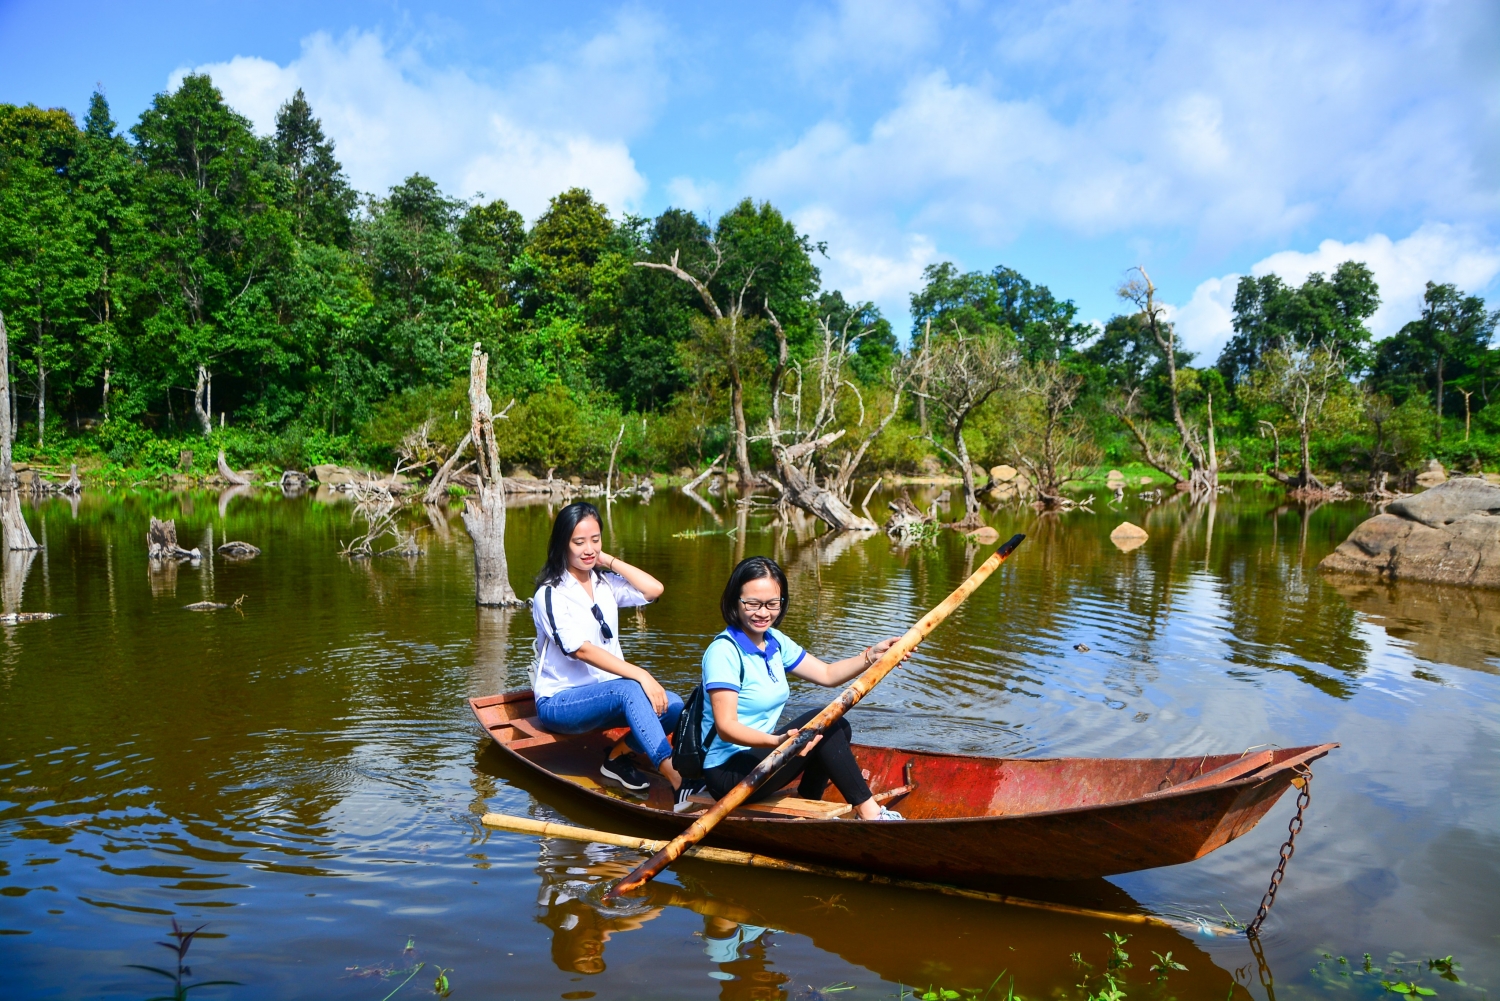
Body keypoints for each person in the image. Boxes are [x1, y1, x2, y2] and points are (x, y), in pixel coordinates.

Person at [699, 555, 905, 821]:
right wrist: (778, 743)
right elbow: (726, 728)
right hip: (727, 773)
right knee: (823, 721)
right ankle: (871, 814)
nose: (763, 613)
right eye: (752, 603)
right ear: (735, 602)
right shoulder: (723, 652)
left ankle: (810, 800)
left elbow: (827, 674)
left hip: (762, 759)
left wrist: (871, 656)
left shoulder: (774, 641)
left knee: (838, 724)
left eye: (772, 604)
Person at [531, 501, 686, 800]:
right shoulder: (549, 594)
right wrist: (641, 675)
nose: (588, 548)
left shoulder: (606, 584)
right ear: (563, 544)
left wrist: (608, 560)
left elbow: (654, 590)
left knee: (675, 706)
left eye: (595, 540)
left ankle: (615, 758)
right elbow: (581, 651)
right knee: (629, 689)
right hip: (560, 702)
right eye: (579, 542)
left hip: (607, 695)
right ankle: (676, 778)